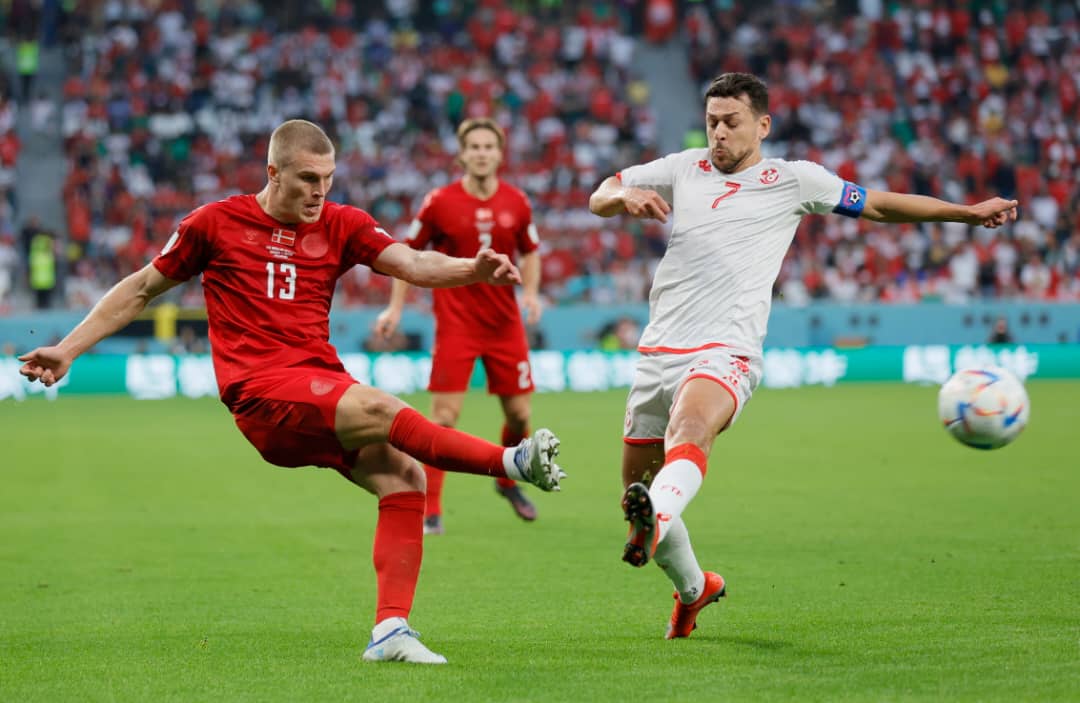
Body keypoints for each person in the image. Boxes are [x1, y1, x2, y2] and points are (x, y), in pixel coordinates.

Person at [19, 119, 565, 665]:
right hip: (261, 393)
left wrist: (474, 268)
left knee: (403, 476)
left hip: (316, 385)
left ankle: (390, 630)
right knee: (380, 408)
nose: (319, 191)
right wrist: (67, 349)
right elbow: (141, 287)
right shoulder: (214, 223)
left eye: (328, 178)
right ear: (273, 172)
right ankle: (513, 463)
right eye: (307, 178)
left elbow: (414, 262)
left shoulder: (342, 223)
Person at [588, 73, 1018, 640]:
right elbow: (599, 195)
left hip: (727, 348)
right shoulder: (681, 167)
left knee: (690, 430)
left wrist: (964, 214)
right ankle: (696, 590)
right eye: (712, 121)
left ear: (762, 125)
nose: (718, 132)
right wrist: (623, 197)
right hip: (658, 350)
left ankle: (657, 518)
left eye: (731, 122)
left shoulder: (793, 181)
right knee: (633, 494)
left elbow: (881, 206)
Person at [375, 118, 544, 535]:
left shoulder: (517, 202)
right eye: (475, 146)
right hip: (456, 323)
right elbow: (405, 255)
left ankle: (506, 480)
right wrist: (395, 308)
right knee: (444, 418)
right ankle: (431, 511)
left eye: (490, 146)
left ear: (500, 154)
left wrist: (532, 294)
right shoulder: (439, 202)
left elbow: (531, 252)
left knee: (520, 416)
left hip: (504, 324)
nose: (483, 152)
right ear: (462, 154)